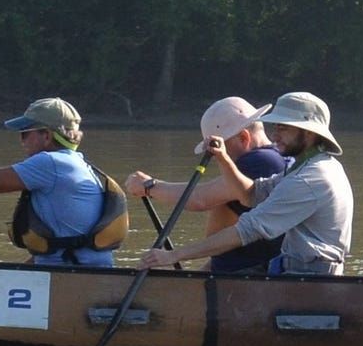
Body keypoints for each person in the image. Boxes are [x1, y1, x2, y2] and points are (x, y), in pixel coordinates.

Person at [135, 92, 355, 276]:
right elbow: (251, 195)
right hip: (294, 272)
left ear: (308, 133)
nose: (275, 136)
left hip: (307, 280)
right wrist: (223, 158)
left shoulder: (311, 178)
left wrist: (173, 255)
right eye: (275, 127)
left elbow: (248, 229)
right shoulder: (305, 167)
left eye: (283, 128)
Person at [0, 97, 125, 267]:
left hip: (70, 277)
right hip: (79, 269)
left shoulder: (50, 163)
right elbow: (63, 242)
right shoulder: (80, 165)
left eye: (26, 133)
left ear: (46, 136)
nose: (22, 140)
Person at [123, 96, 290, 275]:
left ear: (243, 138)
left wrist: (149, 186)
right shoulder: (279, 157)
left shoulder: (261, 161)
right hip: (235, 269)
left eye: (220, 148)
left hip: (247, 275)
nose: (216, 156)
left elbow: (200, 200)